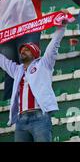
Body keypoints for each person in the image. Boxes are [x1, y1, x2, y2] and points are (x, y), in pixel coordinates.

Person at [1, 0, 61, 100]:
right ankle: (10, 102)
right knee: (9, 70)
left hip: (29, 30)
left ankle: (33, 99)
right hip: (8, 32)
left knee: (29, 65)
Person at [0, 13, 68, 142]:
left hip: (39, 117)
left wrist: (61, 28)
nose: (22, 52)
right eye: (21, 50)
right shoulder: (17, 70)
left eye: (26, 49)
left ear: (35, 53)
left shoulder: (44, 64)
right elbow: (2, 61)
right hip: (21, 120)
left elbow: (54, 45)